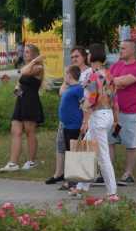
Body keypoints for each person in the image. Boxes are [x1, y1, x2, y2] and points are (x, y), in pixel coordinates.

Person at [70, 43, 118, 199]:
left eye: (89, 53)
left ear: (93, 56)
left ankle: (112, 192)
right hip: (108, 114)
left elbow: (90, 100)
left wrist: (84, 114)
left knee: (102, 155)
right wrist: (116, 119)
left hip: (98, 116)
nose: (88, 56)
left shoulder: (93, 76)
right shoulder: (109, 74)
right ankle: (81, 187)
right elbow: (114, 98)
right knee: (86, 147)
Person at [45, 46, 92, 185]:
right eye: (72, 57)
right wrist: (67, 78)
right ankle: (61, 173)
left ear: (84, 57)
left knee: (78, 147)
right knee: (63, 145)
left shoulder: (88, 73)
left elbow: (86, 98)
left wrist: (85, 120)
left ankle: (79, 178)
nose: (74, 59)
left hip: (77, 120)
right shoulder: (71, 77)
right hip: (67, 120)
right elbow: (62, 92)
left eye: (76, 56)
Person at [0, 44, 44, 172]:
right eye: (24, 52)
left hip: (31, 101)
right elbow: (18, 84)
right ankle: (13, 163)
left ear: (35, 55)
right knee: (16, 131)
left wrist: (35, 60)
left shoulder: (38, 67)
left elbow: (24, 72)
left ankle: (31, 161)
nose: (25, 54)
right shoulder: (25, 67)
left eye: (28, 52)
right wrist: (17, 91)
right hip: (21, 101)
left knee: (30, 132)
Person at [109, 39, 136, 186]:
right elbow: (107, 81)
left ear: (132, 50)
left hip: (129, 113)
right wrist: (114, 81)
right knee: (110, 140)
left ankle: (128, 174)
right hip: (113, 113)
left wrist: (114, 82)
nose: (120, 50)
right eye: (120, 48)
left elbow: (123, 82)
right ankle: (108, 172)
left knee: (130, 143)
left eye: (123, 48)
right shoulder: (116, 65)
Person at [59, 65, 84, 151]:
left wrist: (84, 122)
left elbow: (84, 105)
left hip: (74, 126)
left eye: (65, 74)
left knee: (73, 151)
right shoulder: (69, 88)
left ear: (69, 75)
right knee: (68, 150)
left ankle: (74, 164)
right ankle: (70, 164)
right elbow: (61, 93)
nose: (64, 76)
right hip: (67, 126)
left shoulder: (79, 89)